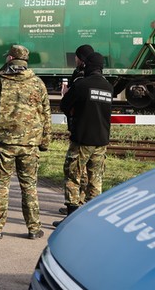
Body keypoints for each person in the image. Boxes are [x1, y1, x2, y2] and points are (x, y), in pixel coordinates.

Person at [0, 45, 51, 240]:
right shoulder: (37, 83)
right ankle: (34, 228)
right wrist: (45, 141)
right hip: (30, 143)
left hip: (4, 143)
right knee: (29, 186)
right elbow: (46, 114)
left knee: (2, 185)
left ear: (10, 58)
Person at [53, 52, 112, 226]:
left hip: (82, 139)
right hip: (101, 140)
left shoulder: (82, 85)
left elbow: (64, 105)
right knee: (96, 178)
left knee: (73, 176)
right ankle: (94, 219)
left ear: (88, 65)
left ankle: (71, 218)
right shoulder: (109, 87)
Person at [58, 44, 95, 215]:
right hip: (86, 126)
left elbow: (73, 99)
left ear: (81, 58)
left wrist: (66, 93)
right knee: (85, 170)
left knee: (75, 169)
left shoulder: (81, 76)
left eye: (76, 56)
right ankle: (79, 201)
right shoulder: (84, 74)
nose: (74, 59)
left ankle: (75, 206)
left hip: (80, 126)